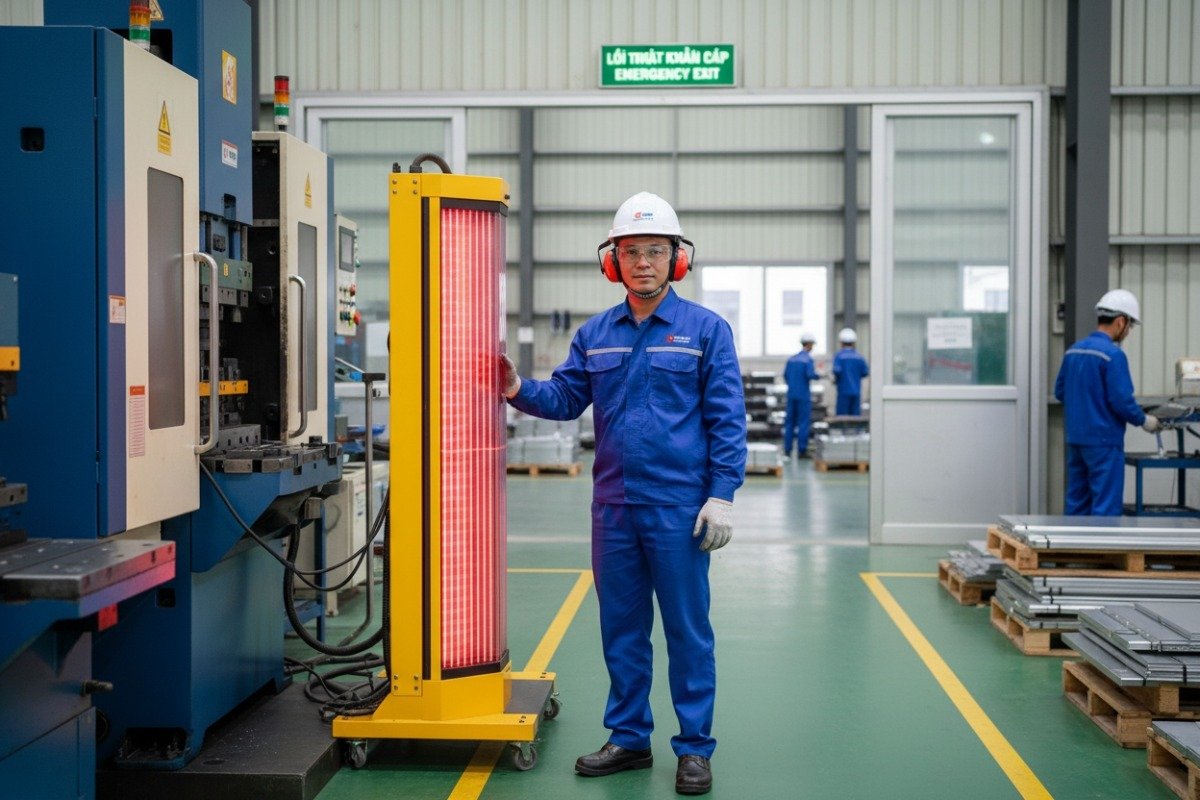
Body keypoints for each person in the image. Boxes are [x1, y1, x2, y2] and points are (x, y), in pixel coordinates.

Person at [501, 191, 746, 796]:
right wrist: (515, 388)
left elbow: (727, 420)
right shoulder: (595, 334)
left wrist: (722, 494)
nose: (643, 262)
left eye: (655, 251)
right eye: (631, 252)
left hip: (679, 510)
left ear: (677, 259)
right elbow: (565, 398)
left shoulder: (706, 331)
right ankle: (630, 738)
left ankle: (694, 748)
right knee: (622, 629)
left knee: (688, 631)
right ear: (612, 261)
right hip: (613, 508)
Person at [1053, 289, 1160, 516]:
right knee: (1105, 509)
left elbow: (1060, 392)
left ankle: (1072, 541)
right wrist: (1144, 420)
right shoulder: (1113, 355)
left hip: (1076, 440)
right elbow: (1122, 401)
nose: (1128, 331)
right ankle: (1103, 542)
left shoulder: (1073, 351)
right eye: (1129, 326)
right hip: (1104, 443)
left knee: (1077, 505)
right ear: (1120, 321)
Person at [782, 332, 819, 459]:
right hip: (803, 395)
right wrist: (819, 375)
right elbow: (810, 374)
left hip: (791, 395)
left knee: (789, 422)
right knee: (803, 422)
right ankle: (801, 451)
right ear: (809, 344)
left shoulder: (791, 359)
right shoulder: (808, 360)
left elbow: (785, 376)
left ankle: (787, 450)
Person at [831, 327, 869, 416]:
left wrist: (837, 380)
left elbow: (837, 371)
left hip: (843, 392)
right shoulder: (859, 357)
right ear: (854, 343)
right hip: (856, 391)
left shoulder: (839, 356)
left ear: (841, 342)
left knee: (842, 418)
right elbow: (865, 372)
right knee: (855, 418)